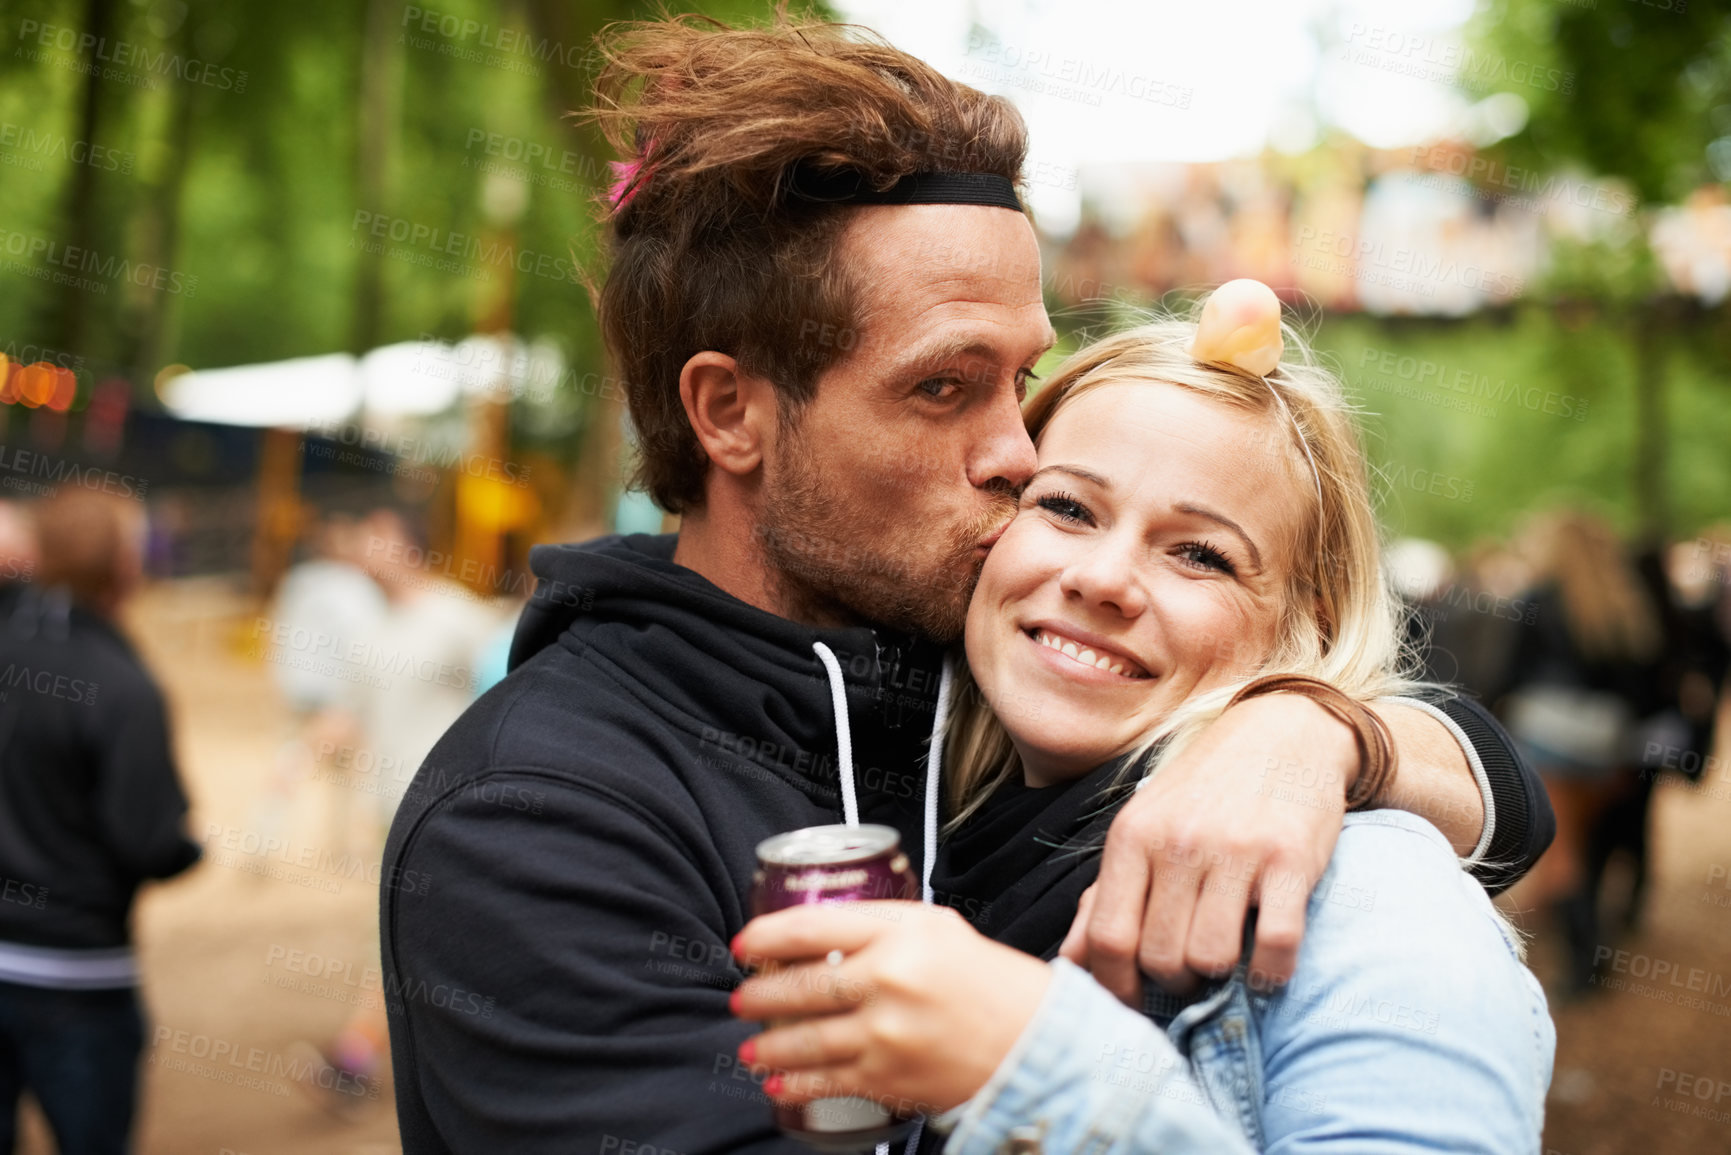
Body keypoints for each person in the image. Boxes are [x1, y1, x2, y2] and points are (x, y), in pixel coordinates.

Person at [380, 17, 1551, 1153]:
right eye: (945, 387)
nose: (1024, 452)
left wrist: (1312, 732)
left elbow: (1496, 797)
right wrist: (1028, 1063)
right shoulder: (538, 817)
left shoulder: (996, 689)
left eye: (1024, 378)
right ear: (730, 411)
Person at [731, 284, 1554, 1153]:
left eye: (1199, 554)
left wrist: (1027, 1066)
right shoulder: (900, 789)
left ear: (1303, 625)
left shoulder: (1363, 892)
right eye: (1066, 507)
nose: (1103, 579)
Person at [0, 490, 201, 1155]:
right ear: (124, 566)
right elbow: (147, 840)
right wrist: (188, 847)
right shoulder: (121, 685)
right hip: (78, 977)